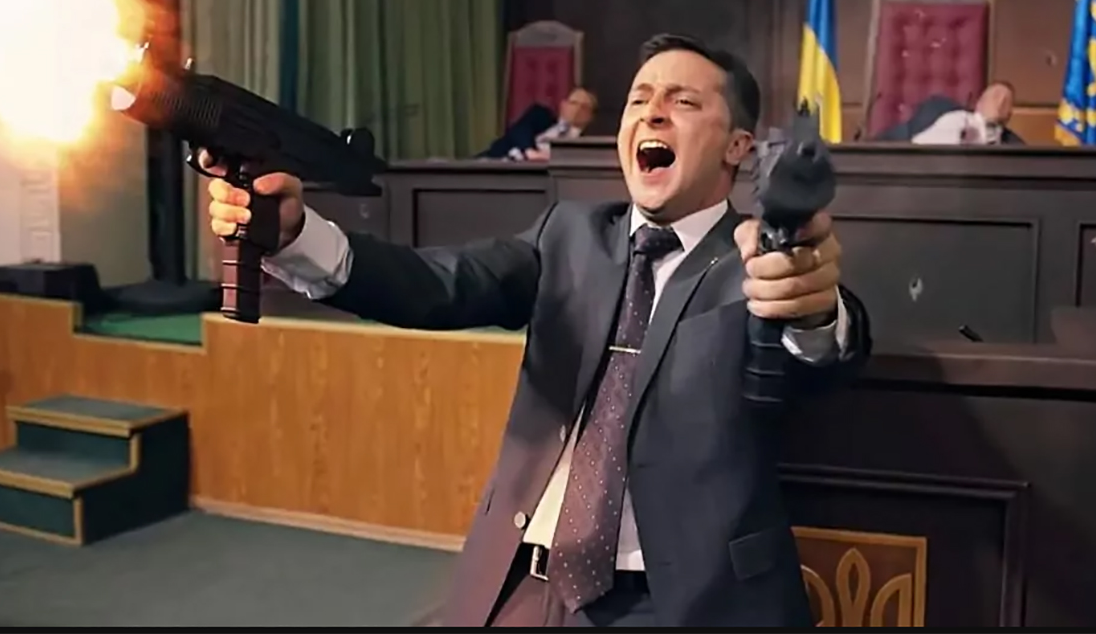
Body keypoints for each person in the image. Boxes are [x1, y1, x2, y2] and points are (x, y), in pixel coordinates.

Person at [204, 33, 871, 627]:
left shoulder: (756, 259)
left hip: (681, 600)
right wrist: (297, 235)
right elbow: (438, 283)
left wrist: (811, 305)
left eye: (684, 102)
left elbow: (816, 347)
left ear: (738, 146)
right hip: (527, 579)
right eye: (639, 99)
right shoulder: (568, 234)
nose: (652, 113)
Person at [874, 80, 1024, 145]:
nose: (1000, 102)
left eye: (1006, 101)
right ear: (979, 103)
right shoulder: (944, 114)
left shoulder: (1013, 145)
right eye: (996, 96)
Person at [479, 87, 598, 161]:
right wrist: (531, 152)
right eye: (574, 103)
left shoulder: (584, 147)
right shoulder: (540, 116)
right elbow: (518, 130)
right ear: (563, 105)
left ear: (590, 117)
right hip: (495, 160)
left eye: (584, 107)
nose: (577, 109)